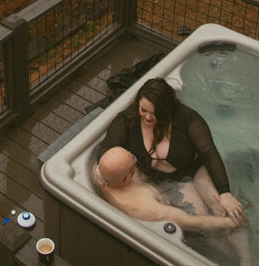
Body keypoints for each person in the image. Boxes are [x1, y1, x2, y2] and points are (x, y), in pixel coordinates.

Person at [96, 77, 246, 225]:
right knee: (201, 218)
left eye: (154, 113)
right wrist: (102, 169)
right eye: (143, 110)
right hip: (161, 182)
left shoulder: (188, 119)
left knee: (224, 209)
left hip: (194, 171)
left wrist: (225, 192)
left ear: (166, 110)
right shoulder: (128, 119)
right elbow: (107, 146)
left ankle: (244, 249)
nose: (147, 117)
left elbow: (209, 153)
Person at [94, 147, 244, 234]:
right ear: (126, 179)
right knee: (214, 200)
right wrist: (229, 222)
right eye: (133, 160)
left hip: (164, 190)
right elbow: (189, 221)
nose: (136, 160)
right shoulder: (142, 206)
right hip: (175, 204)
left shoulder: (101, 174)